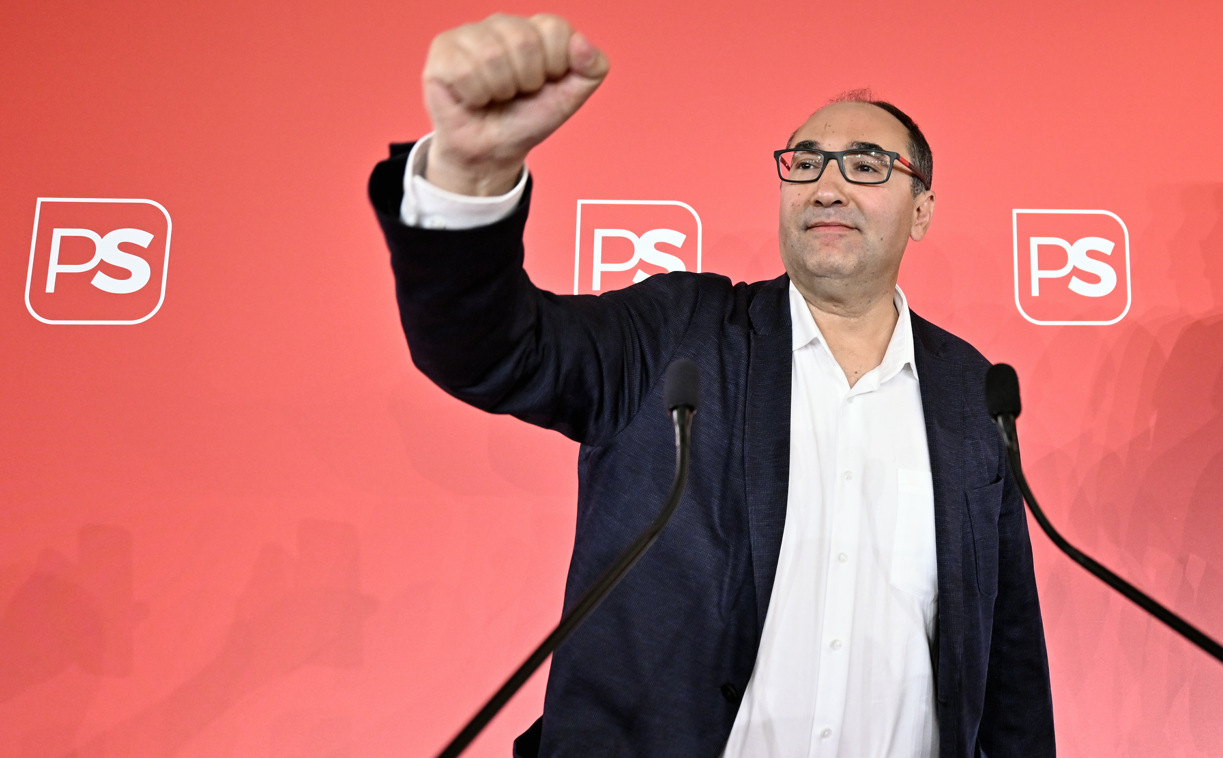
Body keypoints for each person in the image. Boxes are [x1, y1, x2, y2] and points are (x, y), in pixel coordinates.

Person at [367, 12, 1055, 758]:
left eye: (865, 166)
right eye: (805, 164)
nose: (827, 187)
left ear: (921, 209)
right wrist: (468, 180)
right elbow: (496, 350)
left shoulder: (970, 391)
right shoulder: (679, 331)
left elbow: (1007, 657)